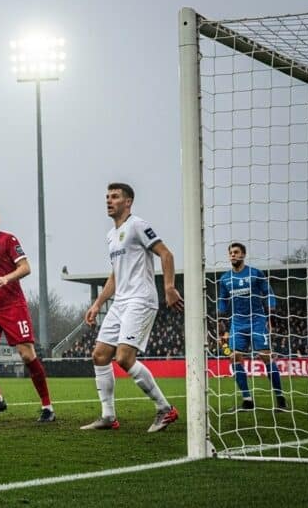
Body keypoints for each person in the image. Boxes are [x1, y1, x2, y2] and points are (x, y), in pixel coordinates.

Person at [82, 183, 183, 432]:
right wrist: (97, 304)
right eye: (107, 196)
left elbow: (166, 254)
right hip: (121, 302)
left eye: (115, 197)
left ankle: (165, 409)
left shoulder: (137, 225)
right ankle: (108, 417)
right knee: (100, 355)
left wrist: (169, 287)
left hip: (140, 299)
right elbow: (115, 276)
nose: (109, 200)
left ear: (128, 202)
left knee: (124, 358)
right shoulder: (111, 235)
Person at [0, 201, 54, 423]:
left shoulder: (8, 240)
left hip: (13, 306)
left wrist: (6, 278)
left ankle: (47, 407)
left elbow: (25, 267)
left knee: (27, 355)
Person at [218, 242, 286, 411]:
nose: (233, 255)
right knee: (234, 357)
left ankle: (280, 398)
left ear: (243, 255)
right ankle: (247, 400)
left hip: (257, 319)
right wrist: (219, 318)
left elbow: (268, 292)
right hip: (237, 322)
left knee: (265, 356)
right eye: (230, 253)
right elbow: (222, 300)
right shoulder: (225, 279)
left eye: (236, 252)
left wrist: (271, 307)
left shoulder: (255, 274)